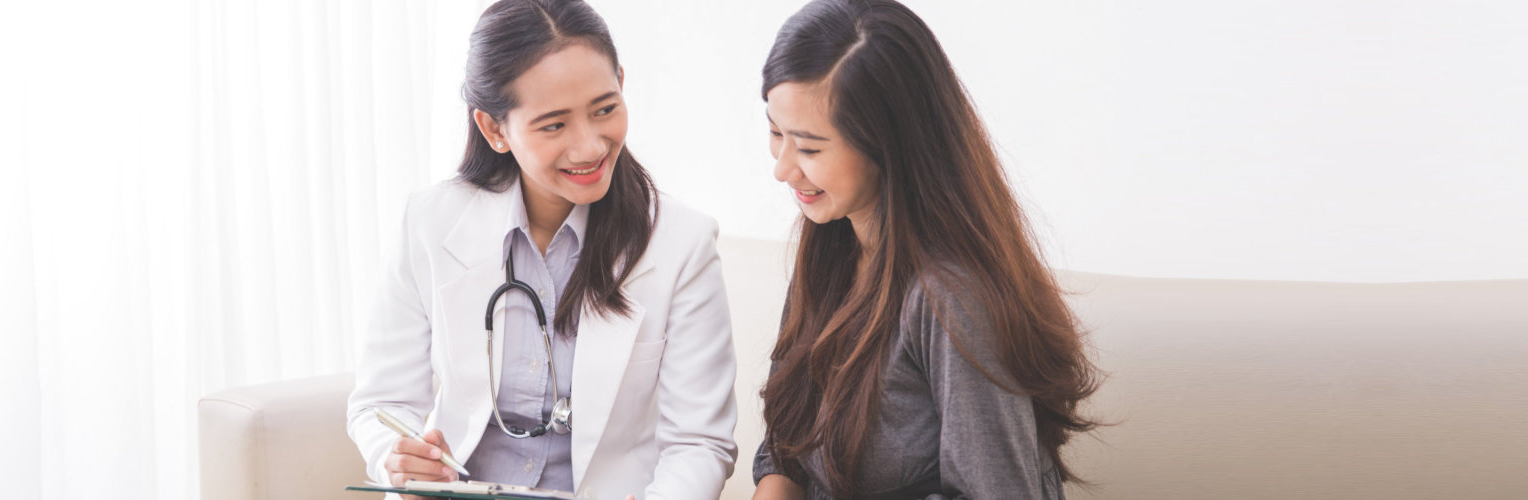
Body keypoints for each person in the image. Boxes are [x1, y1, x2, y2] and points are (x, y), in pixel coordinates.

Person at [347, 1, 737, 498]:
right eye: (554, 125)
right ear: (494, 129)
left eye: (605, 109)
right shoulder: (427, 222)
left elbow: (700, 444)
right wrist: (395, 457)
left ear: (621, 81)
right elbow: (381, 403)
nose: (590, 146)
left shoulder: (683, 243)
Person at [751, 1, 1102, 498]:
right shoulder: (831, 243)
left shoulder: (951, 298)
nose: (783, 169)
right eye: (774, 132)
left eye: (809, 148)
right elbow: (787, 444)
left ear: (888, 143)